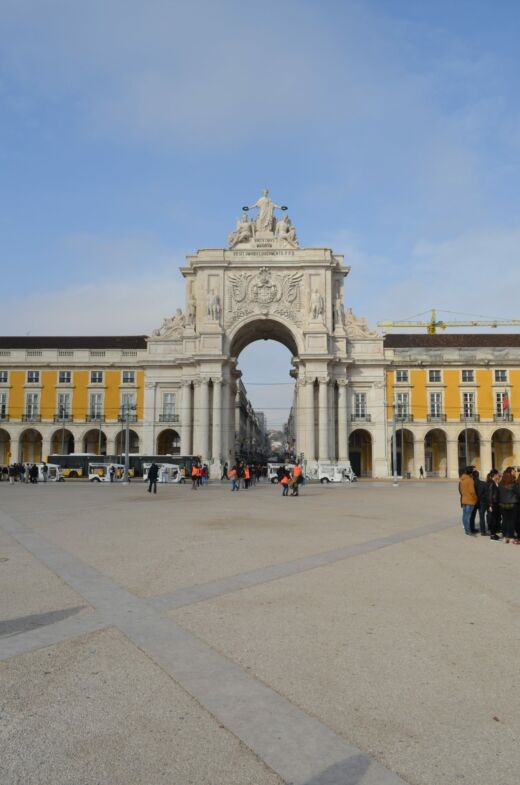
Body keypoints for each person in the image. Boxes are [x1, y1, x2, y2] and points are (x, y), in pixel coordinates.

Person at [498, 467, 520, 543]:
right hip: (513, 504)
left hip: (502, 504)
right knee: (511, 521)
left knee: (505, 520)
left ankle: (505, 536)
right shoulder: (513, 485)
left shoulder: (500, 484)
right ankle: (510, 536)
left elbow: (498, 494)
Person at [458, 466, 478, 536]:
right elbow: (472, 491)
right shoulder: (470, 480)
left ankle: (466, 529)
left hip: (464, 499)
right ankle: (468, 531)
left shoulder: (462, 479)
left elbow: (460, 490)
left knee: (465, 516)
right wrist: (475, 498)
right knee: (468, 516)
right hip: (470, 500)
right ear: (471, 473)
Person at [471, 469, 489, 535]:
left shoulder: (471, 484)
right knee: (482, 517)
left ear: (472, 476)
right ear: (478, 475)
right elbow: (486, 493)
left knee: (472, 516)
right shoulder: (484, 483)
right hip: (482, 502)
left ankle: (472, 529)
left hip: (474, 502)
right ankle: (483, 531)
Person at [486, 469, 501, 540]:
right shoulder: (491, 483)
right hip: (493, 504)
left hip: (495, 503)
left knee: (495, 519)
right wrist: (490, 505)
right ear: (494, 475)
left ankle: (494, 533)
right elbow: (490, 495)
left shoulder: (493, 482)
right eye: (498, 474)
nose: (498, 475)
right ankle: (492, 535)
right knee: (493, 520)